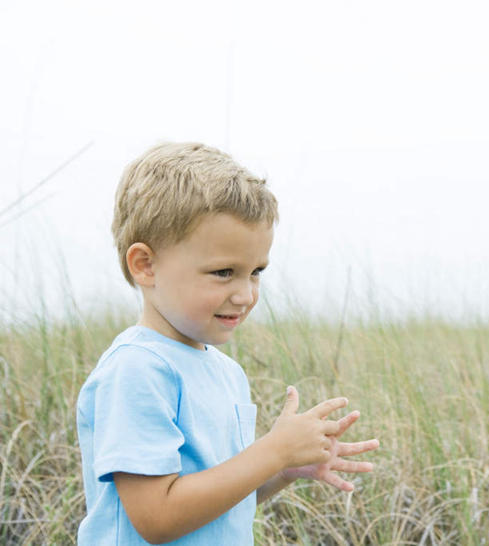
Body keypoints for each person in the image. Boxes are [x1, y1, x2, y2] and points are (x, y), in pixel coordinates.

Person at [76, 142, 379, 544]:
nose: (245, 295)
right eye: (223, 272)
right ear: (146, 265)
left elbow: (221, 498)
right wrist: (272, 451)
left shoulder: (226, 372)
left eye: (255, 272)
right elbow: (157, 517)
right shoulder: (137, 368)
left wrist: (283, 469)